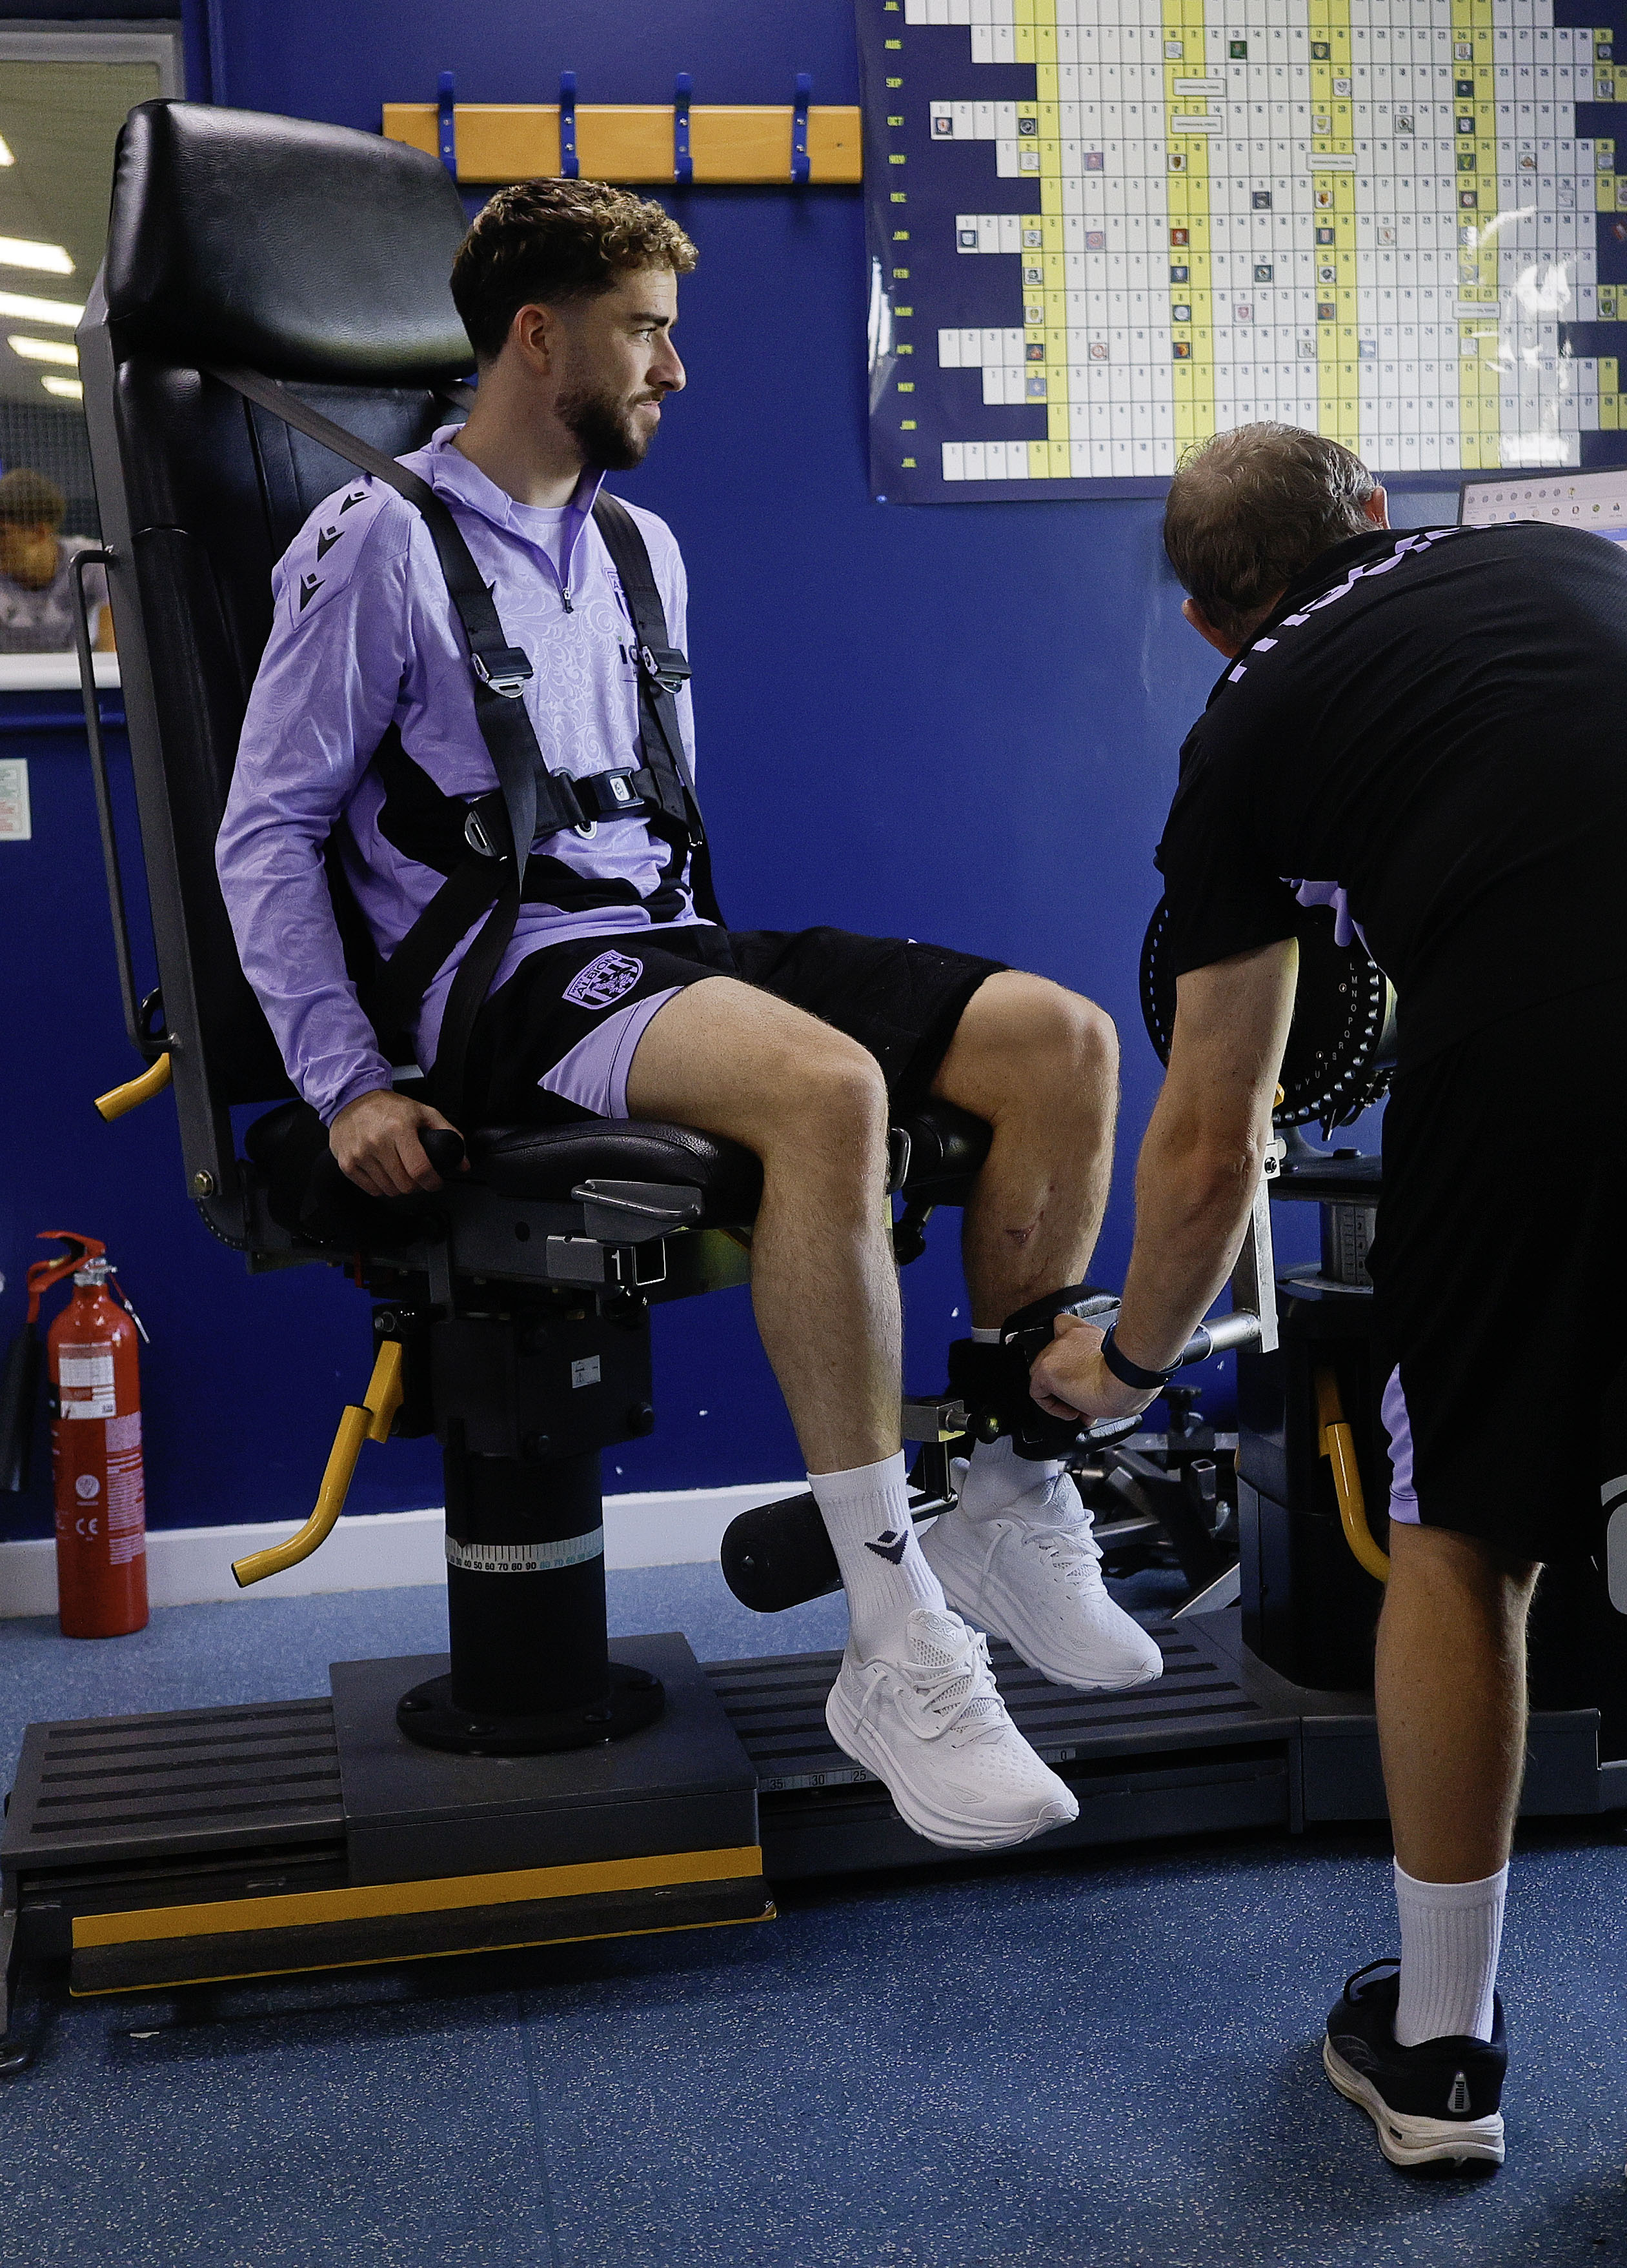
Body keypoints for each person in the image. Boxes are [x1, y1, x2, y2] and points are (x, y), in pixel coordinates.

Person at [1030, 425, 1627, 2204]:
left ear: (1211, 619)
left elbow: (1213, 1134)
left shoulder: (1240, 731)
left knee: (1460, 1538)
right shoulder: (1568, 561)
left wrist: (1122, 1364)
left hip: (1520, 1036)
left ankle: (1439, 2056)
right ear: (1376, 515)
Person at [216, 180, 1138, 1855]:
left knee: (1061, 1042)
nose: (676, 371)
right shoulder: (375, 548)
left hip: (660, 944)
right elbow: (266, 830)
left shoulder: (644, 548)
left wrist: (707, 982)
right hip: (499, 983)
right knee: (831, 1091)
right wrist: (344, 1080)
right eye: (648, 330)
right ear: (537, 336)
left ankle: (1009, 1486)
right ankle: (893, 1633)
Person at [0, 468, 110, 654]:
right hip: (2, 679)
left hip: (77, 678)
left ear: (39, 532)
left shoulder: (90, 562)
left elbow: (113, 650)